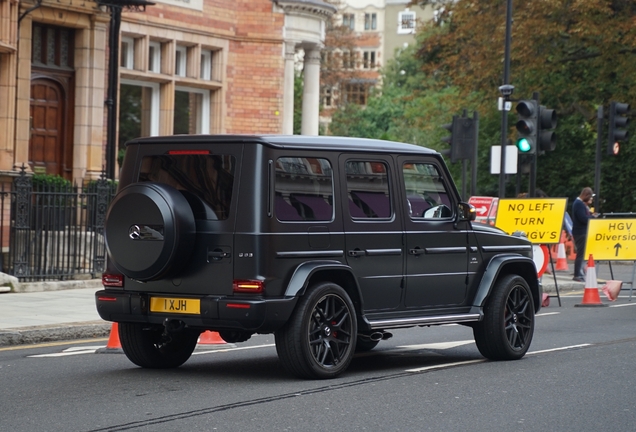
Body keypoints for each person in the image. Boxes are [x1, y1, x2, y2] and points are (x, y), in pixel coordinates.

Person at [571, 187, 597, 282]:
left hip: (580, 232)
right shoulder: (579, 204)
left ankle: (580, 273)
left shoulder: (579, 204)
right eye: (590, 197)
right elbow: (583, 218)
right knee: (581, 254)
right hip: (581, 232)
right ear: (586, 195)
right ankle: (577, 274)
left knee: (582, 253)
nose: (591, 199)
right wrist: (592, 218)